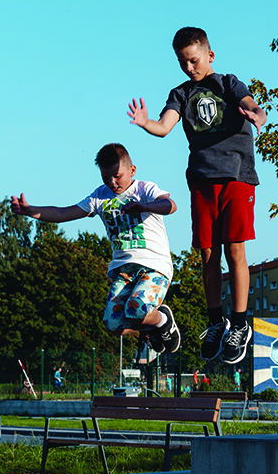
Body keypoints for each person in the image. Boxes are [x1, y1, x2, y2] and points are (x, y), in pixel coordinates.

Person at [127, 26, 267, 365]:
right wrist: (147, 123)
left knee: (235, 248)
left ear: (209, 55)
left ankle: (239, 323)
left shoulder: (227, 83)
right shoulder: (180, 93)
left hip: (236, 177)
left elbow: (250, 104)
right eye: (182, 63)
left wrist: (257, 114)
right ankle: (216, 321)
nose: (190, 68)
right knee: (207, 253)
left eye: (194, 61)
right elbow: (165, 126)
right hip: (202, 180)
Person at [9, 143, 181, 353]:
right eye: (106, 177)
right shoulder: (99, 196)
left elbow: (170, 205)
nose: (112, 183)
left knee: (136, 309)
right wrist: (30, 210)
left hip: (154, 265)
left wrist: (146, 206)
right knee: (113, 324)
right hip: (124, 270)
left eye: (117, 176)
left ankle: (162, 320)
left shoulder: (145, 189)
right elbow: (63, 214)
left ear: (132, 170)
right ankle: (151, 325)